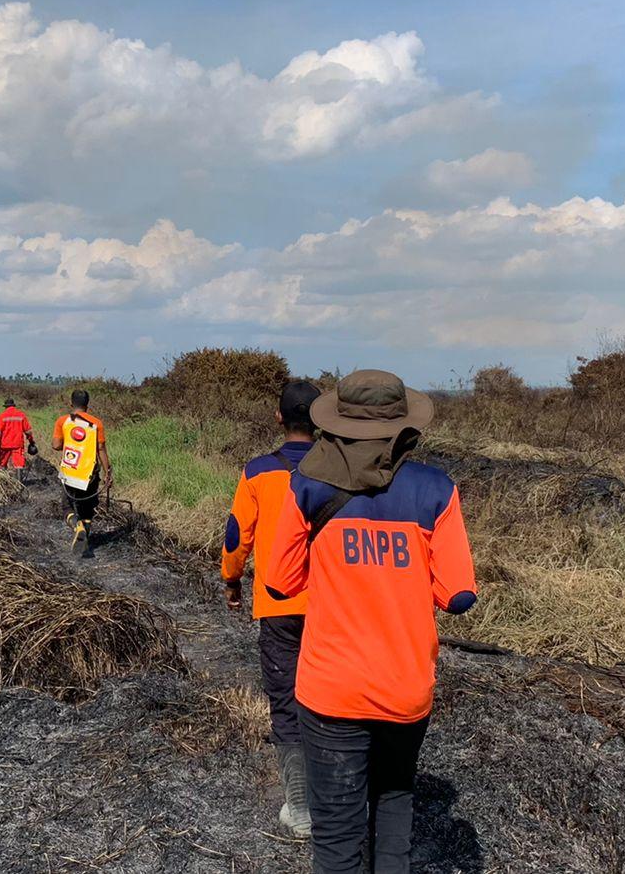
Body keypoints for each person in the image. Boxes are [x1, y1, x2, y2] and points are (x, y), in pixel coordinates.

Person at [266, 369, 477, 874]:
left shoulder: (308, 486)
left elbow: (280, 582)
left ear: (338, 423)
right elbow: (459, 596)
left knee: (337, 836)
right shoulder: (436, 490)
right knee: (394, 806)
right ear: (403, 425)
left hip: (330, 691)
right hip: (405, 688)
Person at [221, 380, 322, 838]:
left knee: (285, 699)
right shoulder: (339, 472)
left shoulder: (259, 471)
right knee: (332, 701)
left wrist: (231, 581)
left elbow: (236, 534)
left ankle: (299, 808)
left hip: (277, 604)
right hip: (334, 606)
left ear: (278, 418)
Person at [52, 389, 111, 558]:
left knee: (67, 507)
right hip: (90, 474)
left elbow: (56, 445)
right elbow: (101, 449)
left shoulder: (63, 421)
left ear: (71, 404)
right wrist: (108, 472)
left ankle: (77, 527)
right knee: (87, 509)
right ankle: (85, 542)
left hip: (69, 472)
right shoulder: (96, 424)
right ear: (87, 405)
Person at [0, 398, 40, 479]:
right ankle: (19, 482)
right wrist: (31, 441)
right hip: (18, 444)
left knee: (3, 463)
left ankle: (3, 480)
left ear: (6, 407)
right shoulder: (21, 415)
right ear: (13, 405)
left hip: (5, 444)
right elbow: (28, 431)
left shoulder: (2, 416)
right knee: (19, 463)